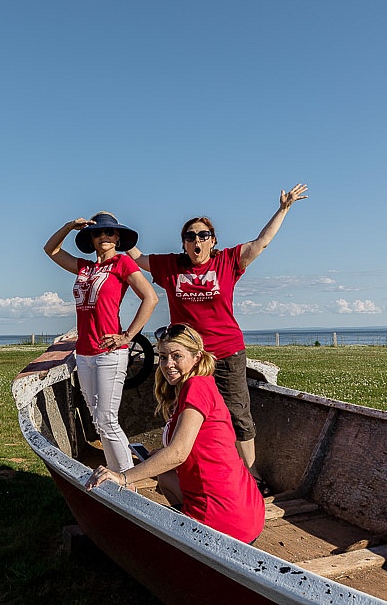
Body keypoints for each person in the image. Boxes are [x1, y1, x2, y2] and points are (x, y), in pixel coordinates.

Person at [128, 184, 308, 489]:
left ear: (212, 241)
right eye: (190, 236)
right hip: (188, 358)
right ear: (183, 243)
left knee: (237, 412)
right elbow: (137, 257)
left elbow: (261, 242)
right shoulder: (171, 266)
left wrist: (283, 208)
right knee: (185, 411)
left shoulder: (227, 261)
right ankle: (189, 466)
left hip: (226, 352)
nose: (196, 241)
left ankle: (251, 477)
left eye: (202, 236)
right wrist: (114, 231)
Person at [85, 323, 265, 543]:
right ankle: (186, 519)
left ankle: (193, 529)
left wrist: (122, 477)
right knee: (166, 475)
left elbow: (178, 452)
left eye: (176, 356)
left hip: (224, 523)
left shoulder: (195, 387)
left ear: (197, 357)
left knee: (130, 533)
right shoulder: (203, 383)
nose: (168, 364)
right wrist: (159, 455)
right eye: (162, 357)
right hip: (249, 511)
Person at [44, 212, 158, 474]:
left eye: (109, 232)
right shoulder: (85, 267)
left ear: (117, 237)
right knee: (98, 419)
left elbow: (150, 298)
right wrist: (70, 225)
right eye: (98, 233)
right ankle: (114, 470)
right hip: (84, 353)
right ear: (91, 238)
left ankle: (128, 478)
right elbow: (51, 250)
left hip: (109, 352)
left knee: (107, 419)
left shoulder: (123, 264)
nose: (104, 237)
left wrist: (127, 336)